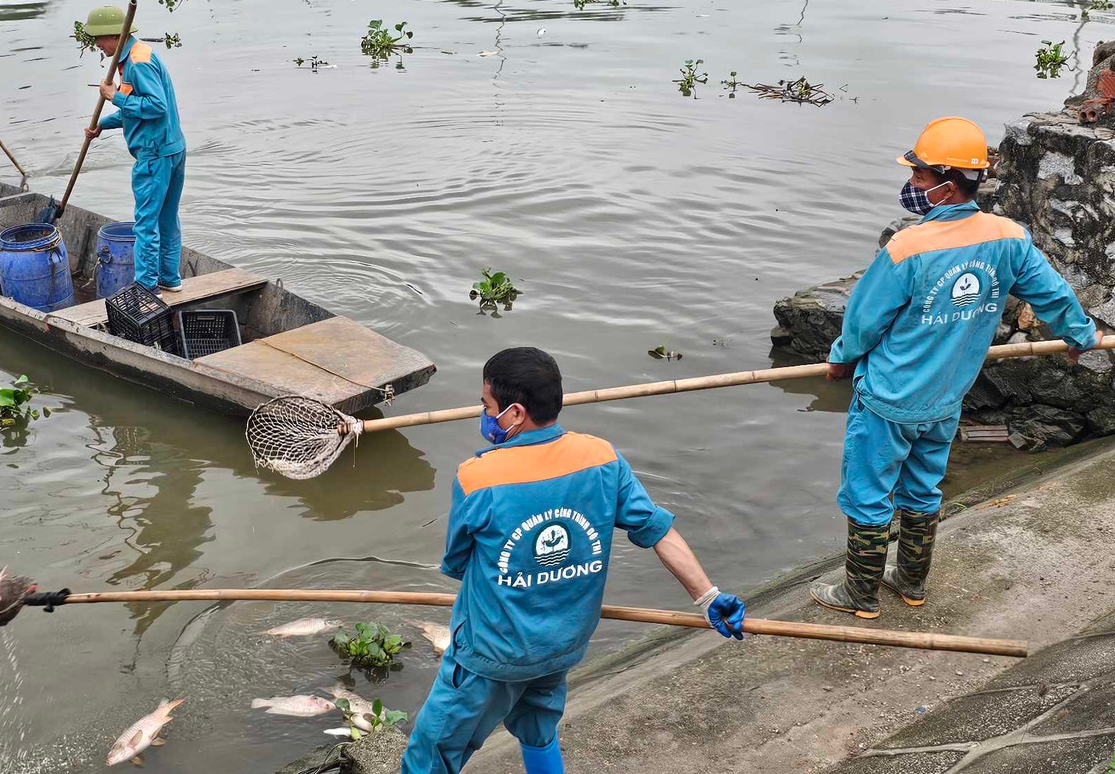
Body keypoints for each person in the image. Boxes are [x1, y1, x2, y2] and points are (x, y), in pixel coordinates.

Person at [401, 347, 747, 774]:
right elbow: (657, 529)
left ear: (514, 413)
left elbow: (457, 563)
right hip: (563, 644)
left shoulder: (478, 477)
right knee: (538, 728)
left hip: (492, 653)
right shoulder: (601, 456)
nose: (484, 415)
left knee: (430, 753)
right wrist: (707, 596)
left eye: (486, 406)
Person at [812, 117, 1104, 619]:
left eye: (920, 177)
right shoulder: (1008, 238)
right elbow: (1052, 294)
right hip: (947, 398)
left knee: (867, 493)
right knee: (923, 488)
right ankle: (910, 582)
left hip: (889, 397)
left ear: (947, 184)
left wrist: (840, 360)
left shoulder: (907, 248)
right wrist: (1080, 337)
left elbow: (862, 324)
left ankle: (858, 595)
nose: (912, 186)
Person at [81, 5, 186, 294]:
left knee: (146, 223)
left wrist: (114, 96)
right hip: (171, 148)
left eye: (99, 40)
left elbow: (155, 106)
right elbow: (138, 108)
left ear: (114, 36)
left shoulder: (138, 64)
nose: (97, 46)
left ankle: (147, 287)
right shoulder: (136, 56)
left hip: (154, 155)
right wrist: (104, 124)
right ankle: (169, 279)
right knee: (166, 219)